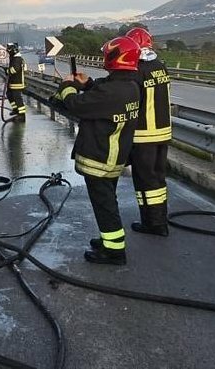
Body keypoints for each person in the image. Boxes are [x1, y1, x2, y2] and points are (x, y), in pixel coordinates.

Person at [54, 36, 141, 265]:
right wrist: (89, 83)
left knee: (104, 205)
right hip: (115, 156)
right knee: (108, 201)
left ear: (115, 57)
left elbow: (76, 105)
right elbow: (104, 97)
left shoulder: (112, 92)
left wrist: (68, 87)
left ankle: (114, 251)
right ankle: (109, 240)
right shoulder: (130, 87)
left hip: (101, 158)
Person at [124, 27, 172, 236]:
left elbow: (127, 98)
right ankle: (160, 220)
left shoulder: (137, 69)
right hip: (163, 133)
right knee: (158, 179)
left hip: (144, 134)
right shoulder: (160, 66)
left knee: (145, 181)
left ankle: (152, 223)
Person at [5, 42, 27, 122]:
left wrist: (7, 71)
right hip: (12, 82)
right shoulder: (14, 57)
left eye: (9, 50)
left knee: (17, 98)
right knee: (9, 94)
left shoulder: (17, 59)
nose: (8, 52)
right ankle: (16, 109)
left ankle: (21, 115)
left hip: (17, 83)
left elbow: (15, 69)